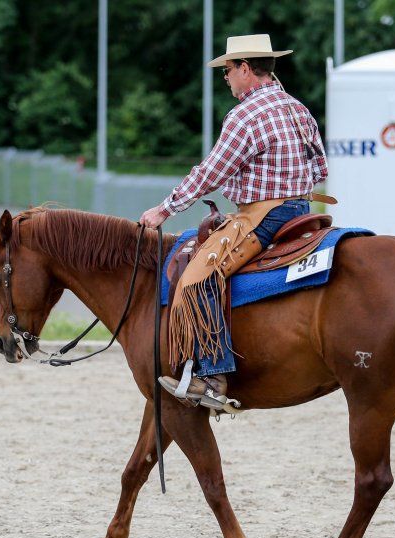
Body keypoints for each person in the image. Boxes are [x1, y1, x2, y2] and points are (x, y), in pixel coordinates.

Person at [138, 33, 329, 411]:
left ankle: (212, 375)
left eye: (228, 70)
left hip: (264, 215)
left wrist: (165, 209)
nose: (225, 78)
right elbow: (320, 166)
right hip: (302, 212)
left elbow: (211, 171)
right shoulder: (297, 108)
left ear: (245, 69)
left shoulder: (245, 115)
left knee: (198, 275)